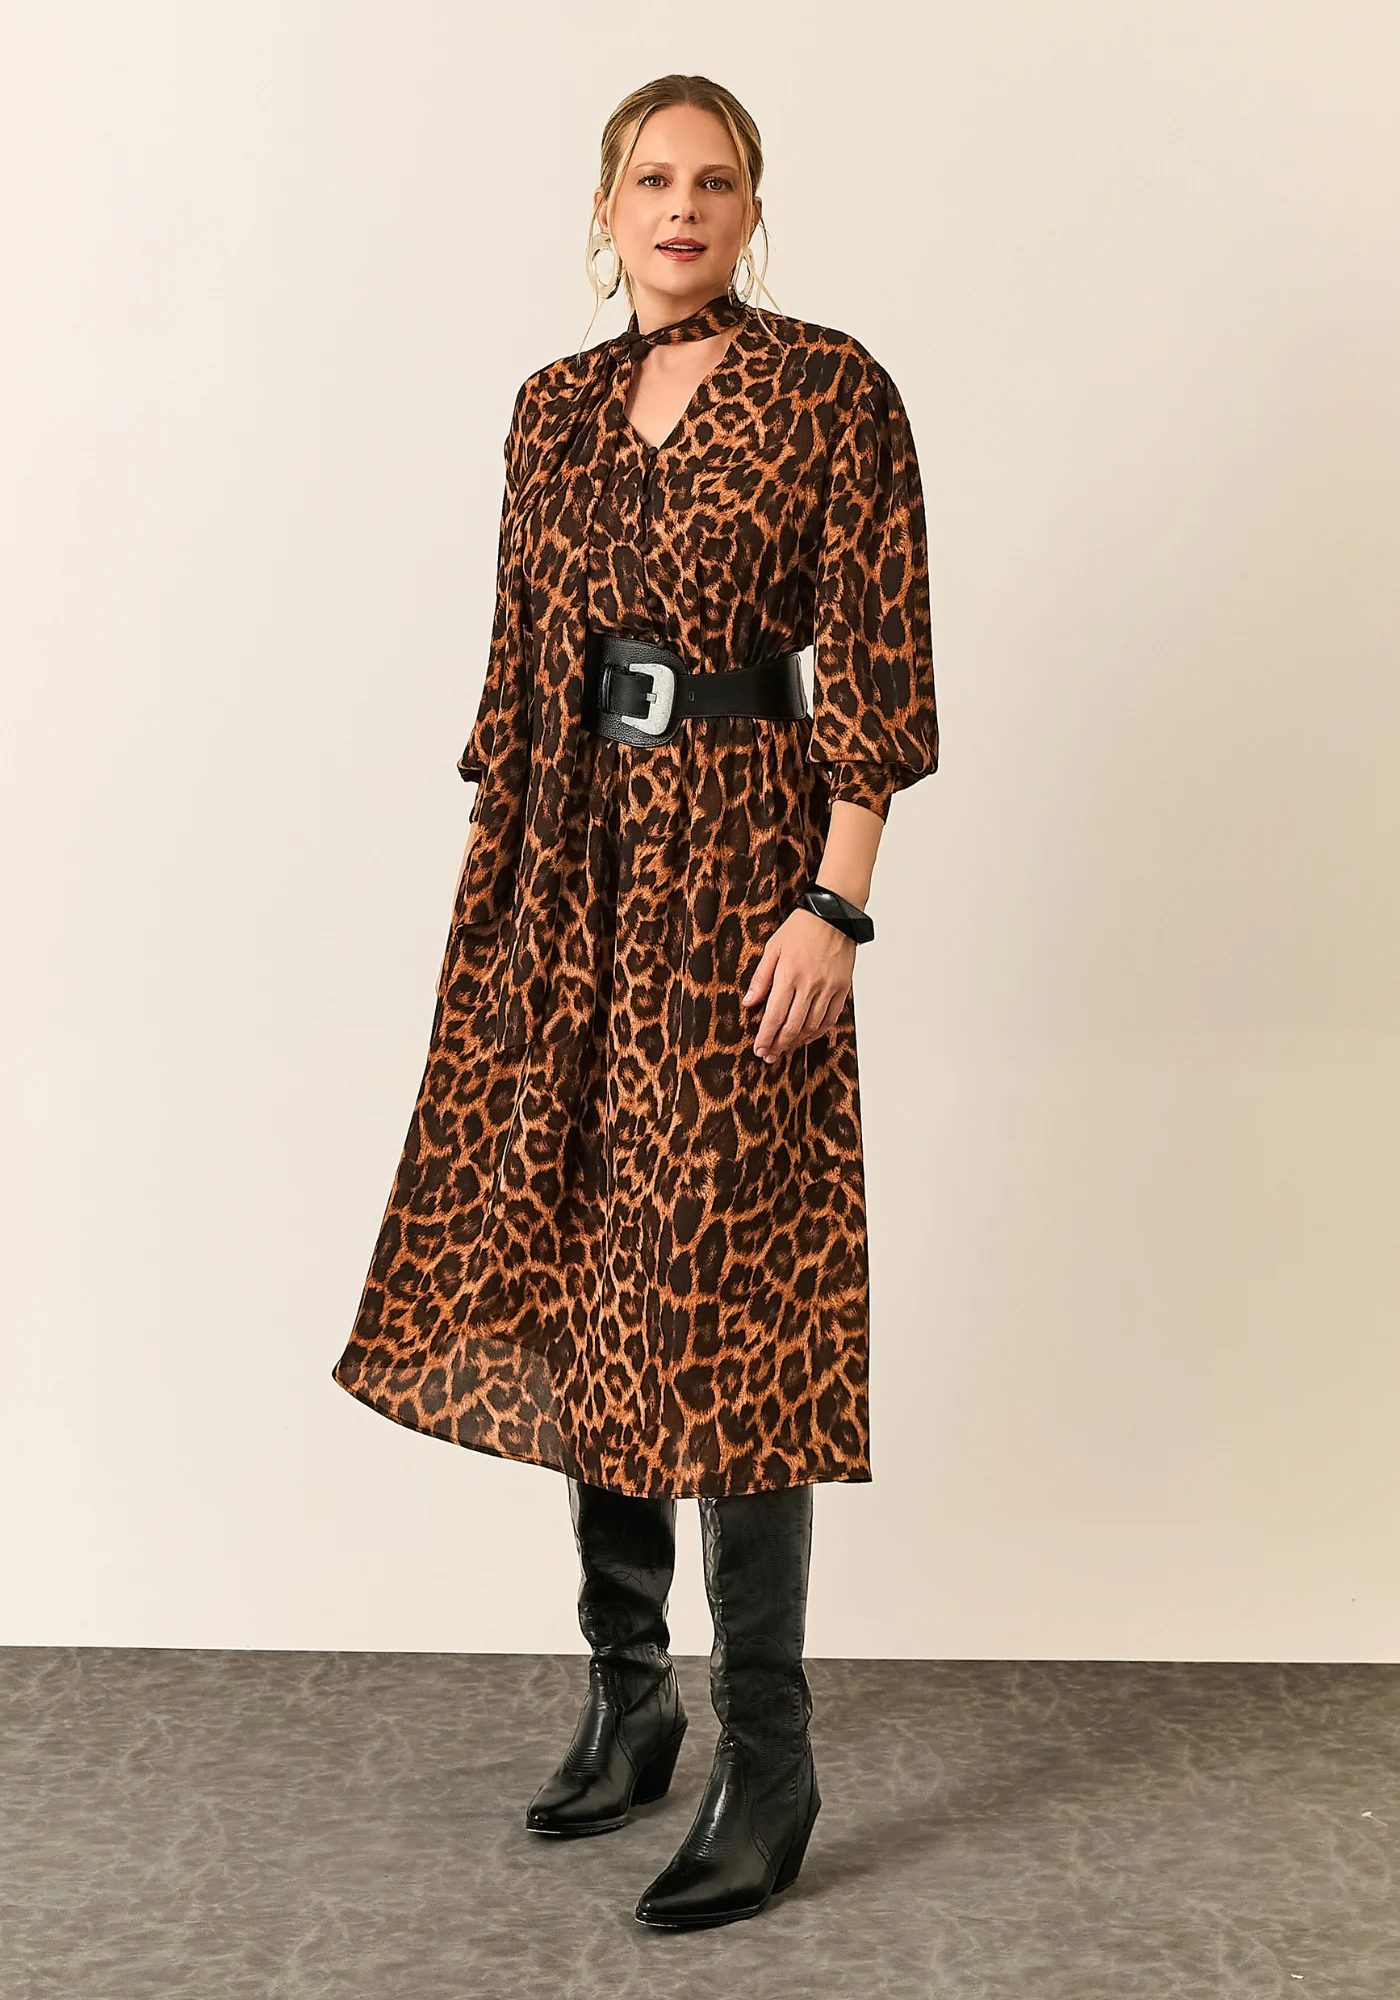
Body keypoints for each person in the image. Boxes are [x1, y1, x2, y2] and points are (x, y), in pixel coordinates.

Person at [331, 72, 938, 1930]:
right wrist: (501, 911)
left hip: (746, 870)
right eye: (653, 178)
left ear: (754, 211)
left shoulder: (830, 390)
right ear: (604, 209)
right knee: (591, 1264)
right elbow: (518, 667)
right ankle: (628, 1696)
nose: (684, 206)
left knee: (732, 1292)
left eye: (717, 180)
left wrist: (836, 899)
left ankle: (773, 1756)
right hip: (572, 876)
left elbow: (880, 659)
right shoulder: (553, 410)